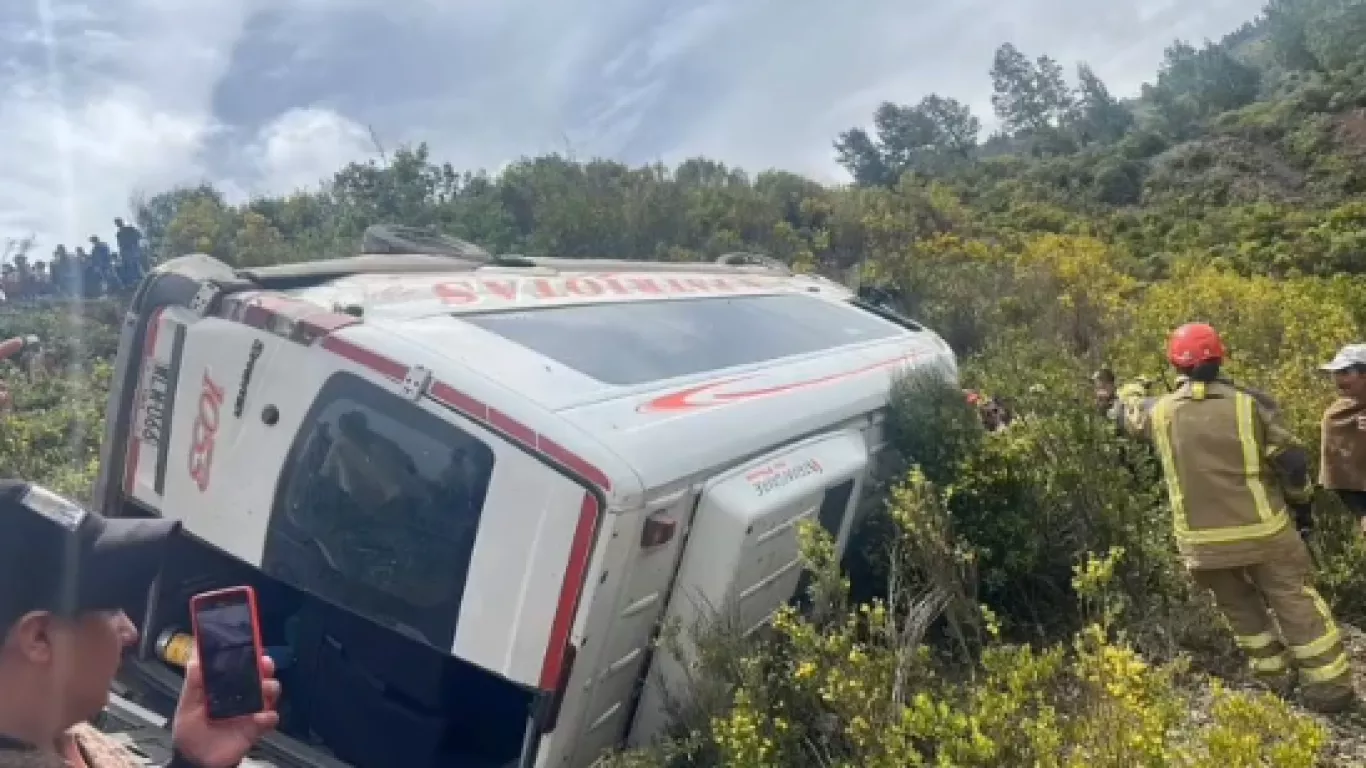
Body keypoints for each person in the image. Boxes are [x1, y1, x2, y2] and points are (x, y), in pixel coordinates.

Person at [1118, 323, 1356, 713]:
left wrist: (1131, 391)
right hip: (1265, 531)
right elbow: (1292, 462)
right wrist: (1301, 506)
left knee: (1239, 608)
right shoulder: (1250, 404)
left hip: (1201, 543)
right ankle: (1330, 689)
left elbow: (1127, 414)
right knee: (1294, 600)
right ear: (1220, 357)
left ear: (1175, 363)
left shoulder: (1159, 412)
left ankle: (1275, 678)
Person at [0, 480, 281, 767]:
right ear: (40, 638)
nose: (130, 631)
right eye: (111, 610)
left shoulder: (58, 733)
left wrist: (194, 760)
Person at [1318, 343, 1366, 533]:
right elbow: (1340, 473)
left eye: (1345, 372)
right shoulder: (1337, 414)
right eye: (1335, 372)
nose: (1338, 379)